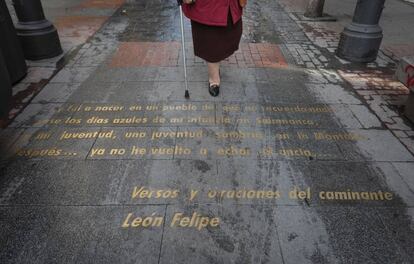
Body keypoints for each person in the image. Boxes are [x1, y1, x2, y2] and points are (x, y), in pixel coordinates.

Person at [182, 0, 244, 97]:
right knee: (211, 43)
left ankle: (216, 63)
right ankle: (214, 79)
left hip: (230, 5)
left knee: (230, 36)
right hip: (206, 7)